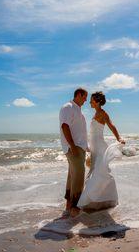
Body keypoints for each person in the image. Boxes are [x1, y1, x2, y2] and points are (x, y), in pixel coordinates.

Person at [77, 91, 125, 211]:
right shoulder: (95, 113)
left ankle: (89, 200)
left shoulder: (103, 113)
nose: (90, 102)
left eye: (92, 100)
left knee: (99, 173)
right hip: (93, 147)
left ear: (98, 102)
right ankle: (97, 199)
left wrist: (118, 138)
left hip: (99, 146)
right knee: (94, 172)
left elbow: (111, 125)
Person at [59, 88, 88, 218]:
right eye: (84, 97)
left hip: (78, 147)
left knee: (72, 176)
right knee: (79, 177)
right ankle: (74, 209)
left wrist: (85, 147)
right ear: (78, 95)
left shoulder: (77, 109)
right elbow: (64, 126)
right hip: (73, 148)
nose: (86, 100)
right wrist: (73, 146)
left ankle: (69, 207)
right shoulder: (68, 107)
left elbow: (79, 131)